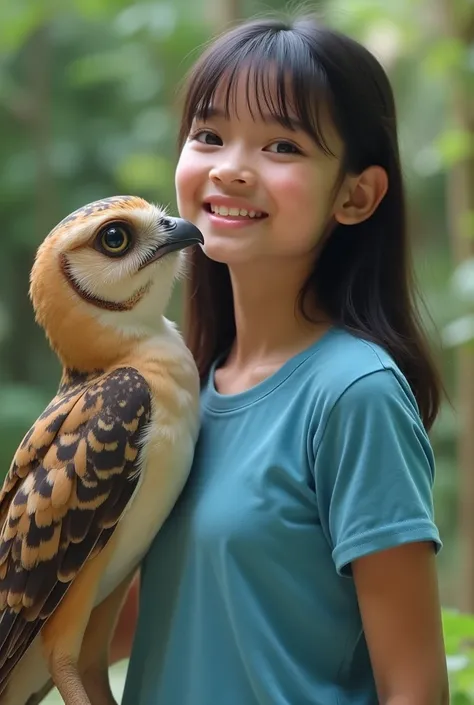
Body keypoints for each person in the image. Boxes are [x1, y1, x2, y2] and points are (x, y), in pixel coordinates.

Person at [118, 12, 449, 705]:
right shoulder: (182, 388)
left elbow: (413, 687)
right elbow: (135, 616)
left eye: (282, 145)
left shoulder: (354, 393)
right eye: (209, 136)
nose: (231, 168)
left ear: (357, 195)